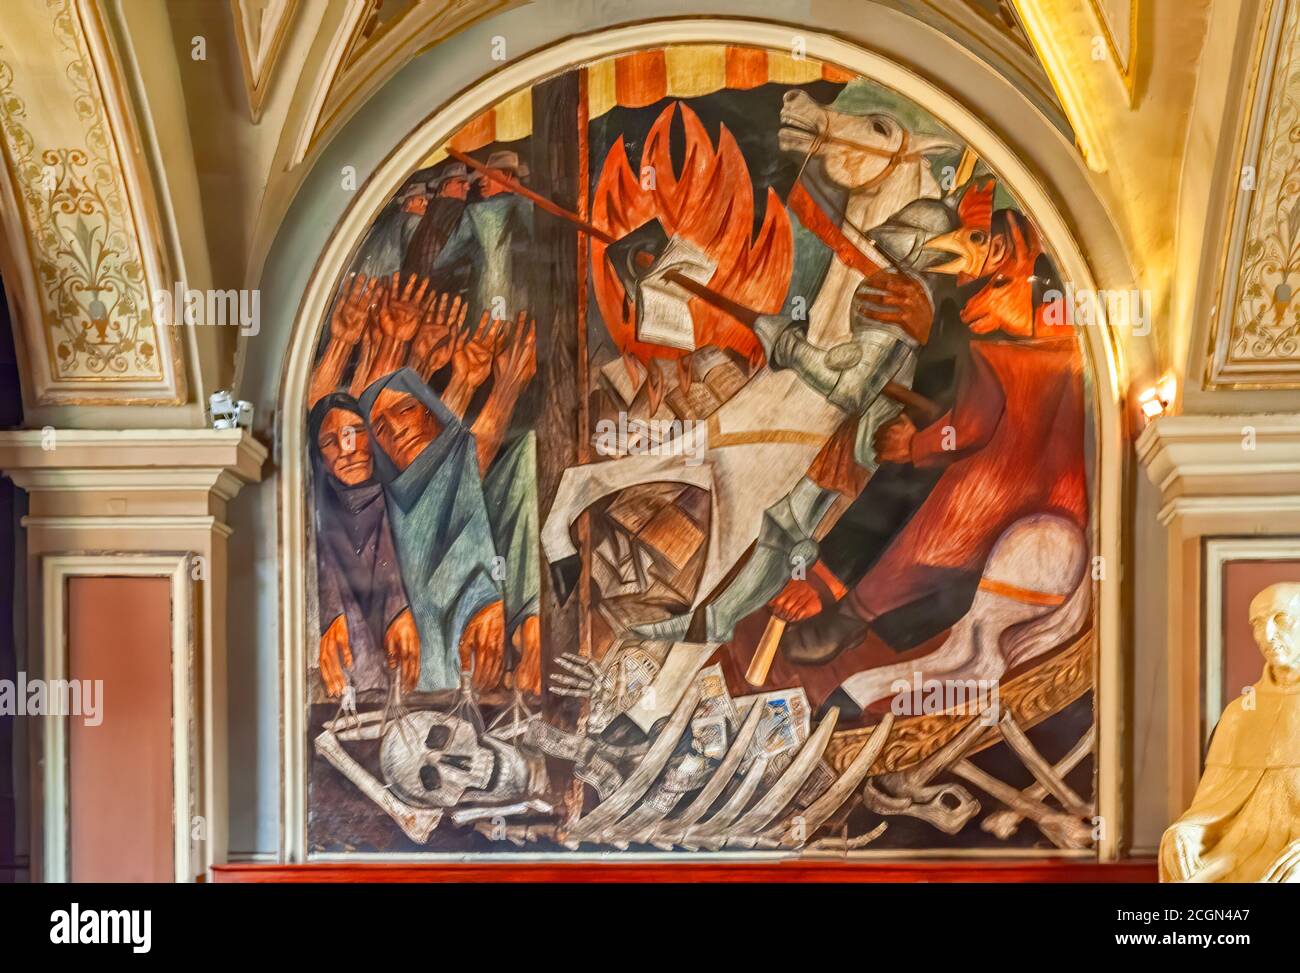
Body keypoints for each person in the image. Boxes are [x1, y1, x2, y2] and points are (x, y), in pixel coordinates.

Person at [359, 368, 505, 692]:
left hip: (476, 681)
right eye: (380, 428)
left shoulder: (467, 460)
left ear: (428, 410)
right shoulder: (377, 505)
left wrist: (492, 605)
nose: (395, 430)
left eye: (404, 410)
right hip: (405, 693)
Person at [1161, 583, 1300, 882]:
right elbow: (1212, 806)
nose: (1267, 635)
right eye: (1258, 624)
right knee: (1181, 848)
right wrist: (1187, 832)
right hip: (1238, 846)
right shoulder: (1240, 712)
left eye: (1281, 619)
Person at [309, 393, 418, 696]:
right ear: (320, 459)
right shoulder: (314, 519)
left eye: (357, 432)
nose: (348, 449)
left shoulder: (403, 505)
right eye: (331, 441)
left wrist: (399, 608)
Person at [430, 150, 533, 324]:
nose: (482, 181)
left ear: (507, 176)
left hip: (489, 301)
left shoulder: (476, 211)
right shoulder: (530, 206)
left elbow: (445, 258)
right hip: (525, 305)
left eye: (488, 176)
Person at [402, 162, 470, 284]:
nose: (467, 187)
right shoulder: (455, 208)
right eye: (461, 182)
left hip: (418, 282)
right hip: (441, 283)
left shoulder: (431, 210)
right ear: (444, 186)